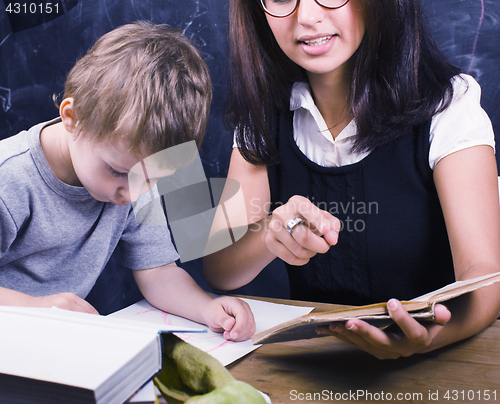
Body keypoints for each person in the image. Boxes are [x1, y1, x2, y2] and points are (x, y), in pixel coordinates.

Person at [203, 0, 500, 357]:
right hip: (314, 365)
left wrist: (429, 337)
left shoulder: (449, 104)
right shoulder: (265, 115)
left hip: (438, 360)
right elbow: (219, 269)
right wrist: (269, 233)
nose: (308, 18)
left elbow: (486, 276)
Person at [0, 21, 255, 342]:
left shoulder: (136, 177)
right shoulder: (9, 179)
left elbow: (158, 273)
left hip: (54, 343)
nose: (132, 193)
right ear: (72, 119)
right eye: (119, 172)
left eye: (153, 179)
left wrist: (209, 309)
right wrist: (35, 307)